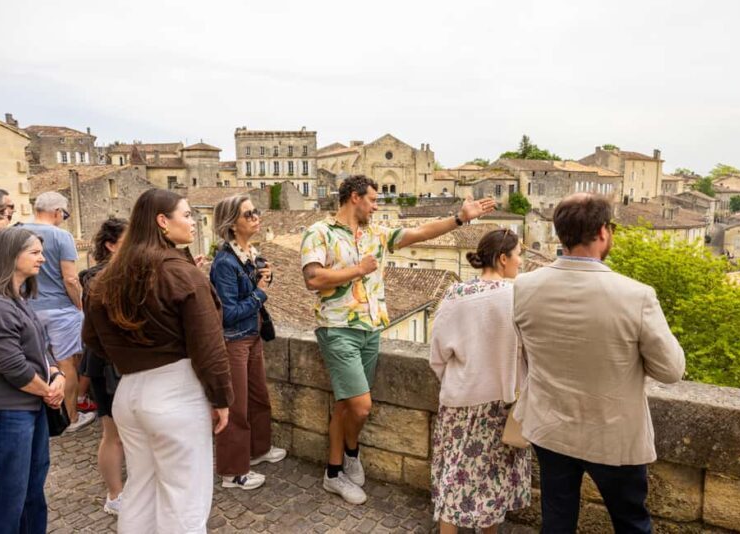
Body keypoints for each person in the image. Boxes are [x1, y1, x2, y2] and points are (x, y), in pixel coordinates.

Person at [300, 175, 495, 505]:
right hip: (337, 329)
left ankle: (334, 473)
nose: (377, 206)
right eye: (373, 200)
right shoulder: (320, 232)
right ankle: (351, 452)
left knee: (345, 404)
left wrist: (460, 218)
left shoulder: (376, 234)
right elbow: (313, 278)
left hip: (371, 329)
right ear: (353, 198)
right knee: (361, 406)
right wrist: (358, 269)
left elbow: (419, 233)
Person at [512, 193, 686, 533]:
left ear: (561, 234)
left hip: (550, 427)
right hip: (613, 435)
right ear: (604, 231)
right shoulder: (636, 296)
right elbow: (671, 371)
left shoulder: (524, 286)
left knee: (557, 519)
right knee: (631, 522)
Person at [82, 189, 234, 533]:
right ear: (162, 222)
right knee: (184, 498)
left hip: (129, 393)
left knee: (140, 488)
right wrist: (221, 398)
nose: (194, 221)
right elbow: (208, 346)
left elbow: (92, 340)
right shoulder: (182, 273)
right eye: (187, 214)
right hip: (175, 392)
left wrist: (131, 356)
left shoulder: (106, 278)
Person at [429, 228, 531, 533]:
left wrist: (459, 381)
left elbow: (437, 355)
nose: (521, 261)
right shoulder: (517, 297)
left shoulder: (455, 293)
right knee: (493, 487)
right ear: (502, 259)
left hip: (459, 402)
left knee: (452, 484)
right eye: (518, 254)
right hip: (501, 405)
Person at [210, 195, 286, 491]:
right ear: (232, 224)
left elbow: (250, 293)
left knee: (258, 399)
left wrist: (264, 277)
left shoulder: (249, 253)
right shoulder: (225, 263)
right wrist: (261, 292)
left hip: (251, 336)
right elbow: (227, 314)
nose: (256, 217)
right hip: (235, 340)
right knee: (236, 407)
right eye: (248, 214)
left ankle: (258, 450)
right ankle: (233, 472)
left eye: (255, 211)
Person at [0, 227, 65, 533]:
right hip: (9, 413)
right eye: (34, 253)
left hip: (30, 409)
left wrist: (57, 374)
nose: (42, 259)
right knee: (8, 496)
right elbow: (11, 363)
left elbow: (41, 348)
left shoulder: (20, 300)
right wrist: (48, 390)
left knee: (32, 490)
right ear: (12, 256)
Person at [21, 192, 95, 432]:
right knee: (66, 365)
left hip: (27, 307)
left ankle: (41, 414)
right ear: (56, 212)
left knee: (36, 361)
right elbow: (71, 278)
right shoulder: (61, 236)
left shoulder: (17, 231)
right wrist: (80, 306)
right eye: (65, 213)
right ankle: (70, 418)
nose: (64, 218)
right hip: (60, 310)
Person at [79, 217, 128, 515]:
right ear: (110, 245)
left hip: (123, 364)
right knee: (113, 433)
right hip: (106, 365)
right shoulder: (95, 279)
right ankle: (115, 495)